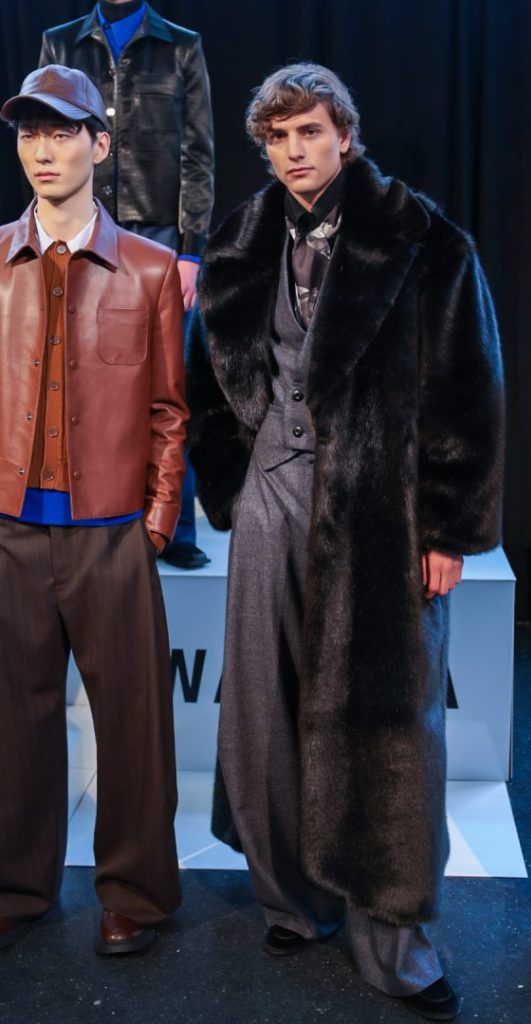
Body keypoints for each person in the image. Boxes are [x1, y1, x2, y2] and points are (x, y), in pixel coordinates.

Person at [188, 63, 504, 1020]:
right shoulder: (239, 240)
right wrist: (229, 485)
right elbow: (208, 379)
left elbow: (468, 389)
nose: (295, 151)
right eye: (278, 136)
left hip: (377, 512)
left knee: (387, 724)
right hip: (269, 499)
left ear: (345, 136)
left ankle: (394, 939)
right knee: (260, 709)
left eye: (311, 132)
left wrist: (447, 527)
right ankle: (293, 899)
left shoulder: (423, 239)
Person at [0, 64, 187, 955]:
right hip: (10, 530)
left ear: (100, 145)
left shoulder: (149, 267)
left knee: (134, 724)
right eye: (30, 133)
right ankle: (17, 884)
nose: (44, 149)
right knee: (14, 721)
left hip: (111, 532)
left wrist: (157, 520)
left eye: (62, 131)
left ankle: (136, 895)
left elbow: (170, 409)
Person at [40, 0, 214, 569]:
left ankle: (175, 525)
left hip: (157, 229)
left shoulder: (181, 45)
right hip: (82, 222)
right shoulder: (61, 41)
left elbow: (197, 152)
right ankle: (84, 505)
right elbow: (45, 136)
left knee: (168, 378)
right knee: (82, 371)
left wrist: (191, 249)